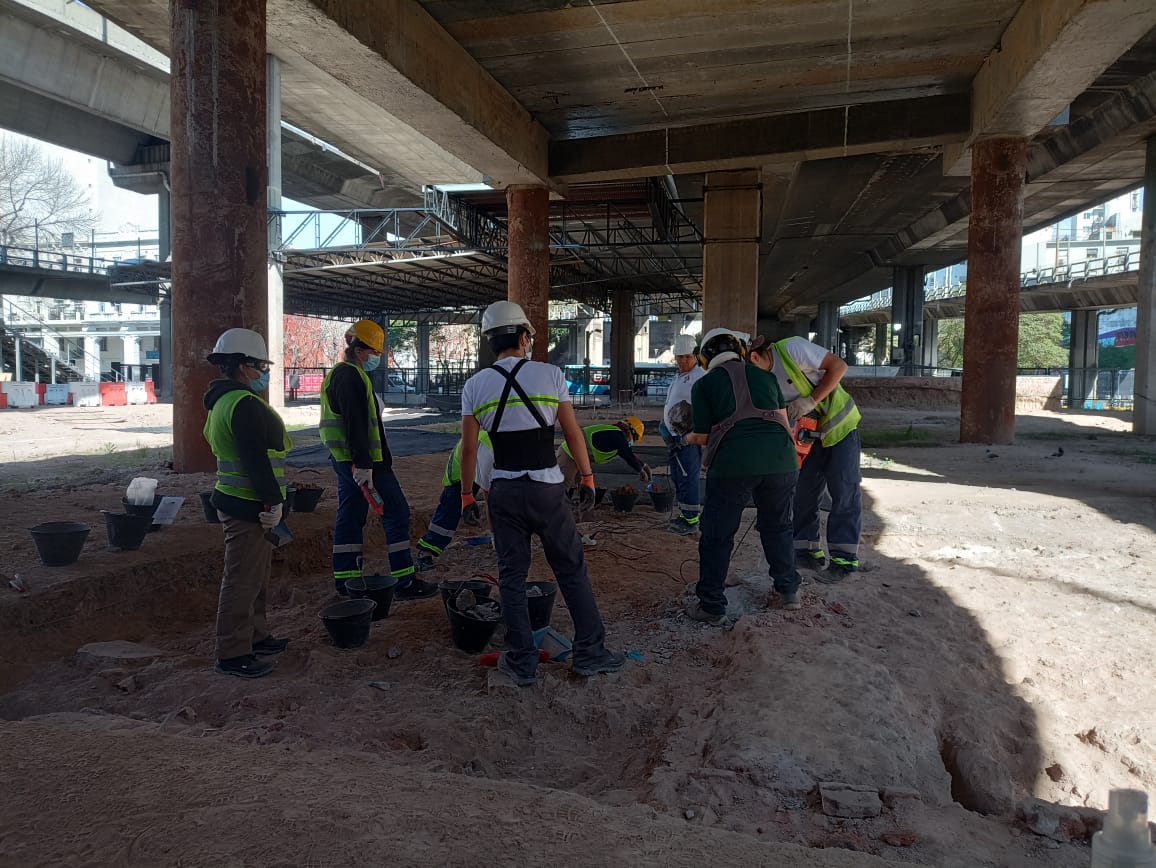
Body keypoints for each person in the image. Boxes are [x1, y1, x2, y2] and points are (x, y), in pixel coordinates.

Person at [459, 300, 624, 686]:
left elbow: (469, 450)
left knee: (512, 577)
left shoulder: (475, 385)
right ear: (521, 337)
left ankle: (521, 663)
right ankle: (590, 654)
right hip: (547, 492)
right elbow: (571, 432)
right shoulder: (550, 376)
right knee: (571, 569)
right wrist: (587, 477)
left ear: (490, 342)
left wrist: (466, 496)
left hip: (503, 492)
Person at [685, 327, 801, 625]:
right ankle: (787, 591)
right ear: (739, 352)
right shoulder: (766, 377)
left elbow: (701, 436)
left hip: (733, 467)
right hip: (782, 462)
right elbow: (781, 420)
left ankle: (711, 605)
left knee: (718, 534)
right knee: (778, 527)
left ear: (705, 358)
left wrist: (685, 437)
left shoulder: (705, 385)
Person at [319, 319, 437, 600]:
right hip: (365, 465)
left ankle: (346, 581)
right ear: (361, 349)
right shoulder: (350, 378)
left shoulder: (345, 374)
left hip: (350, 462)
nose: (376, 359)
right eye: (374, 353)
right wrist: (364, 465)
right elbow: (356, 425)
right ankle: (404, 581)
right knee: (396, 511)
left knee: (350, 515)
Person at [202, 328, 292, 678]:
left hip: (242, 501)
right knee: (241, 580)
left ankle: (256, 637)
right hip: (248, 504)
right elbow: (256, 460)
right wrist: (273, 502)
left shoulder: (223, 401)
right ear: (241, 366)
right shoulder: (242, 405)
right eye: (259, 366)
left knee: (256, 577)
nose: (264, 373)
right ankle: (233, 653)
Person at [748, 334, 863, 581]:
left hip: (839, 427)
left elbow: (839, 366)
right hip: (808, 435)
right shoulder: (761, 380)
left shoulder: (792, 348)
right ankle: (806, 552)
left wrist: (810, 401)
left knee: (844, 491)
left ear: (755, 356)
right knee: (804, 492)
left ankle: (843, 561)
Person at [415, 430, 494, 571]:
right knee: (450, 509)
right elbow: (491, 501)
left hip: (480, 460)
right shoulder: (489, 446)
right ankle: (427, 549)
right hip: (461, 472)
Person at [660, 334, 705, 535]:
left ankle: (690, 519)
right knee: (679, 476)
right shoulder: (680, 376)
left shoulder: (700, 376)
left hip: (688, 438)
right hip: (675, 436)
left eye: (686, 357)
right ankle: (685, 513)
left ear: (695, 355)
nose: (682, 361)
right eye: (679, 357)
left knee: (688, 476)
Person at [556, 418, 651, 488]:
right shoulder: (617, 436)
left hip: (578, 458)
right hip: (569, 454)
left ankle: (572, 511)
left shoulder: (615, 434)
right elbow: (628, 456)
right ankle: (552, 512)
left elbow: (627, 452)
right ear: (630, 430)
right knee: (563, 487)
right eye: (635, 438)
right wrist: (640, 470)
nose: (633, 441)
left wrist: (643, 465)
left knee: (578, 486)